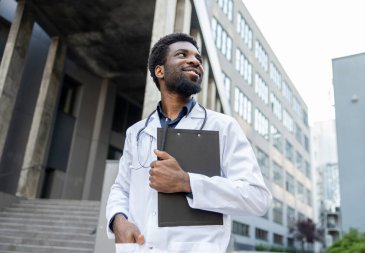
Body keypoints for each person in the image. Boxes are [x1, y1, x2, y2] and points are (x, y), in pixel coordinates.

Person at [106, 33, 272, 253]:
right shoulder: (136, 133)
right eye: (182, 55)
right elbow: (121, 187)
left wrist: (187, 182)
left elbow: (257, 197)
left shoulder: (223, 126)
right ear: (159, 70)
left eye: (198, 58)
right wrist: (118, 220)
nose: (195, 61)